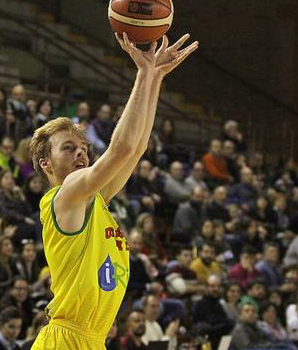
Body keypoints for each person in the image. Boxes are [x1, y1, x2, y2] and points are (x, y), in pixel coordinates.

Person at [28, 32, 197, 350]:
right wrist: (142, 74)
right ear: (46, 164)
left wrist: (155, 77)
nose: (81, 153)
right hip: (66, 339)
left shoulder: (95, 200)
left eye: (83, 147)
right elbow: (120, 149)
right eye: (68, 148)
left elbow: (136, 149)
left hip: (92, 339)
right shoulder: (66, 194)